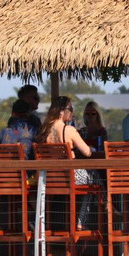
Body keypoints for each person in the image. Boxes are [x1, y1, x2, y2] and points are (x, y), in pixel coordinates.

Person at [37, 96, 98, 228]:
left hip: (48, 178)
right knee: (93, 178)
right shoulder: (68, 130)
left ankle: (44, 224)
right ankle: (84, 220)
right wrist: (93, 148)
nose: (72, 112)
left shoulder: (43, 130)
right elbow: (87, 152)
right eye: (70, 109)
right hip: (68, 176)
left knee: (93, 177)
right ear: (61, 111)